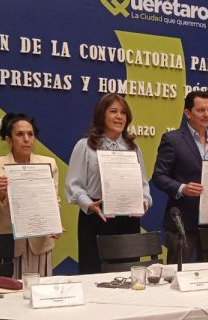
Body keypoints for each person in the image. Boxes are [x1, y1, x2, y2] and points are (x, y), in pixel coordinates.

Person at [65, 93, 152, 274]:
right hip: (97, 216)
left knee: (127, 274)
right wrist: (89, 204)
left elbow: (143, 184)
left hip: (128, 218)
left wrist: (144, 200)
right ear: (101, 114)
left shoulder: (133, 147)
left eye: (123, 112)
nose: (119, 116)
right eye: (113, 111)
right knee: (94, 274)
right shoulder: (85, 145)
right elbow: (74, 185)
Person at [152, 90, 208, 263]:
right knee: (179, 273)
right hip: (182, 221)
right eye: (200, 110)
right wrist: (182, 188)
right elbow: (159, 176)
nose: (206, 114)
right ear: (187, 113)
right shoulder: (172, 139)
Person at [0, 113, 60, 277]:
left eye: (30, 134)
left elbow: (54, 201)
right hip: (6, 242)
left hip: (39, 242)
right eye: (20, 134)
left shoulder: (49, 164)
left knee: (38, 290)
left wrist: (52, 224)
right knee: (3, 291)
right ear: (8, 139)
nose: (26, 139)